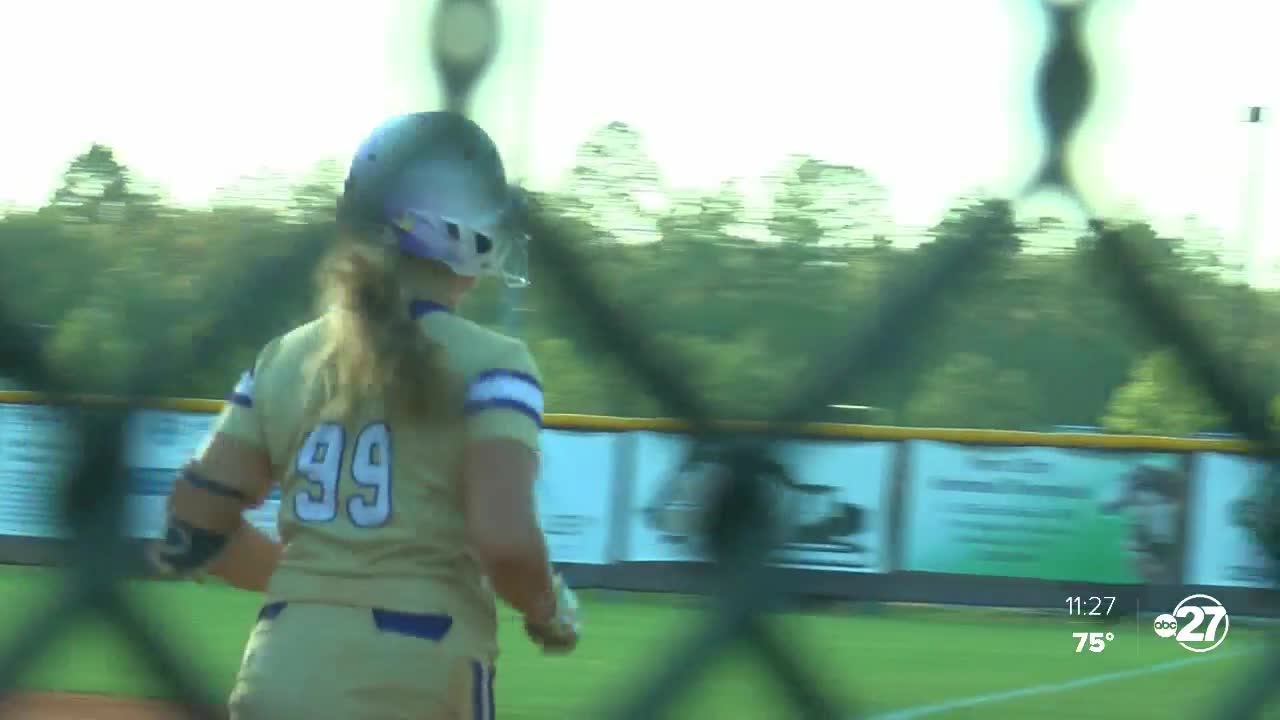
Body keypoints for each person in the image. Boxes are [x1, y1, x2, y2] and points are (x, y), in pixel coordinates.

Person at [147, 111, 580, 719]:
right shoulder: (493, 362)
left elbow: (191, 528)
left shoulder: (284, 357)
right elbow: (504, 540)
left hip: (281, 665)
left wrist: (319, 586)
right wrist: (549, 611)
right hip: (420, 670)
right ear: (468, 231)